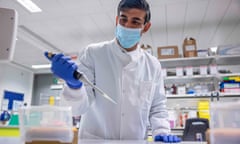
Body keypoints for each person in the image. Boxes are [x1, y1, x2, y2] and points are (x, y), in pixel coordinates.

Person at [45, 0, 180, 142]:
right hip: (96, 140)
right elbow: (77, 109)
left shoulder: (153, 65)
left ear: (146, 27)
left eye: (135, 21)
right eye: (123, 19)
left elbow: (157, 107)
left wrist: (162, 131)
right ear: (116, 20)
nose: (127, 25)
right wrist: (73, 86)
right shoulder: (93, 53)